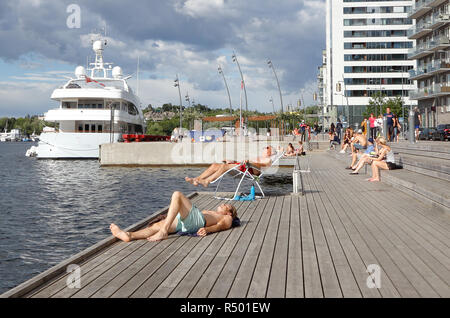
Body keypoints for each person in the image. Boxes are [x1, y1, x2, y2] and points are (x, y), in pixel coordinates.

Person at [110, 191, 238, 242]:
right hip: (190, 221)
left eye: (226, 205)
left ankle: (164, 232)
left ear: (229, 213)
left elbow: (222, 226)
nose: (223, 203)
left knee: (177, 195)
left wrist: (208, 230)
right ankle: (129, 235)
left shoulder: (227, 218)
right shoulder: (213, 212)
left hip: (198, 221)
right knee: (157, 226)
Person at [185, 146, 275, 187]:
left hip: (250, 172)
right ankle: (196, 179)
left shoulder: (268, 160)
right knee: (215, 165)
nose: (265, 148)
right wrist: (233, 161)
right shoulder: (258, 157)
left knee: (224, 167)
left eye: (267, 148)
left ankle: (207, 181)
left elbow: (261, 167)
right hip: (243, 167)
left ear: (270, 152)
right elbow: (243, 162)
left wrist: (250, 163)